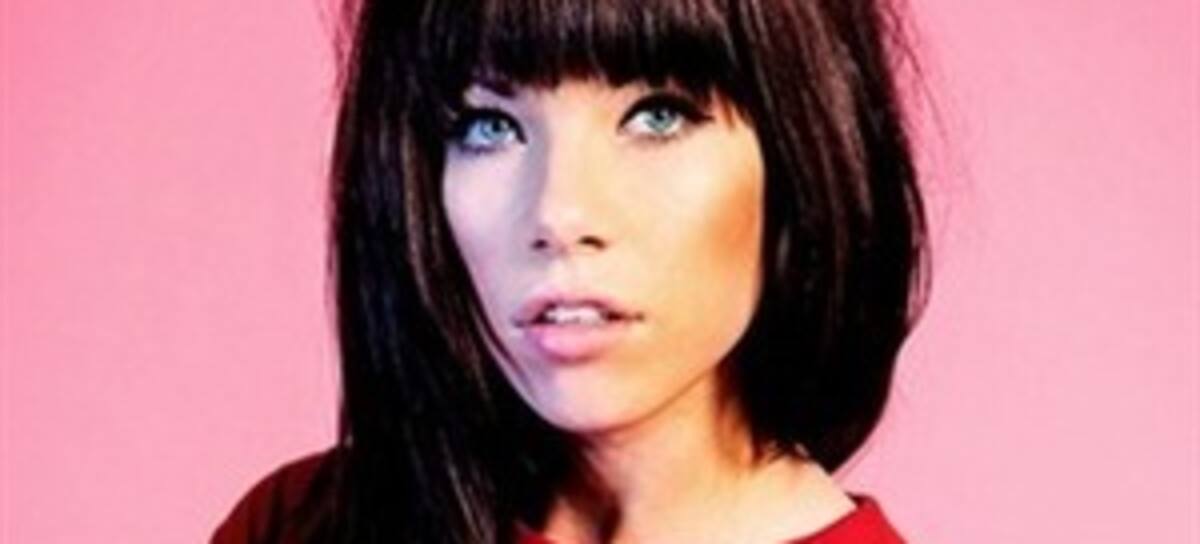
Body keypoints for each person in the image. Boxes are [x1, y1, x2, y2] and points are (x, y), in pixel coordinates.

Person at [213, 0, 929, 542]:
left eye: (657, 116)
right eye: (490, 126)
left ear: (802, 157)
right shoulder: (306, 524)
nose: (558, 213)